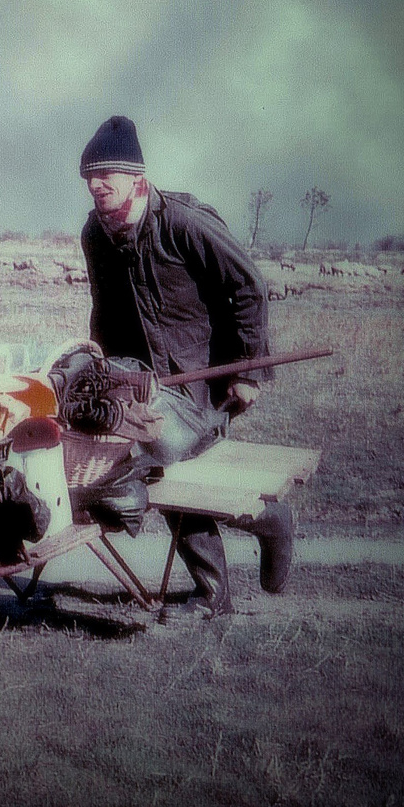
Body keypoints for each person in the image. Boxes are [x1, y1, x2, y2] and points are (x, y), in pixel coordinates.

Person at [77, 116, 295, 619]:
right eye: (89, 175)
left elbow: (249, 287)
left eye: (107, 172)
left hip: (202, 386)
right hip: (143, 382)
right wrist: (100, 375)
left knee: (157, 451)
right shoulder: (95, 232)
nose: (96, 184)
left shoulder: (184, 222)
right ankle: (217, 590)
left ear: (137, 177)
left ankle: (266, 522)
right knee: (98, 434)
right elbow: (103, 309)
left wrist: (248, 371)